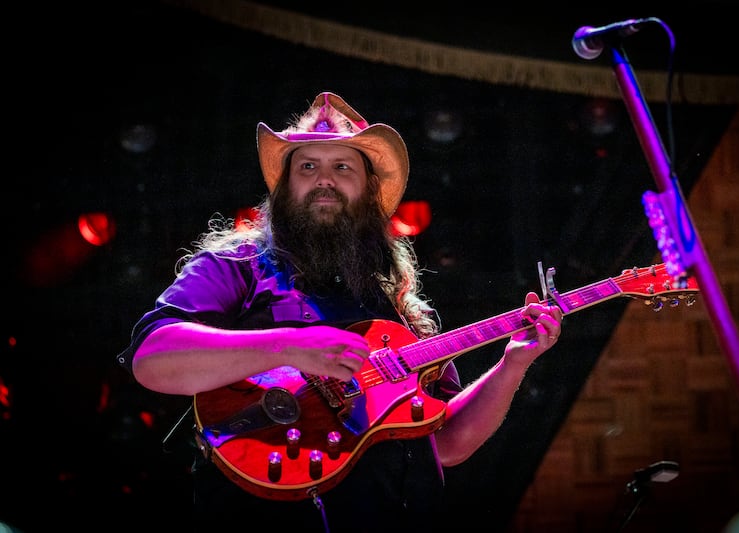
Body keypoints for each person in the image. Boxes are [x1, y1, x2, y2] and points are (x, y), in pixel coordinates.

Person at [116, 91, 563, 532]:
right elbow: (153, 359)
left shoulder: (398, 306)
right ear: (285, 187)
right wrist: (289, 346)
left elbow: (448, 444)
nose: (323, 179)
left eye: (342, 167)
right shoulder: (236, 265)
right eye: (307, 166)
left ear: (369, 189)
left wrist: (512, 364)